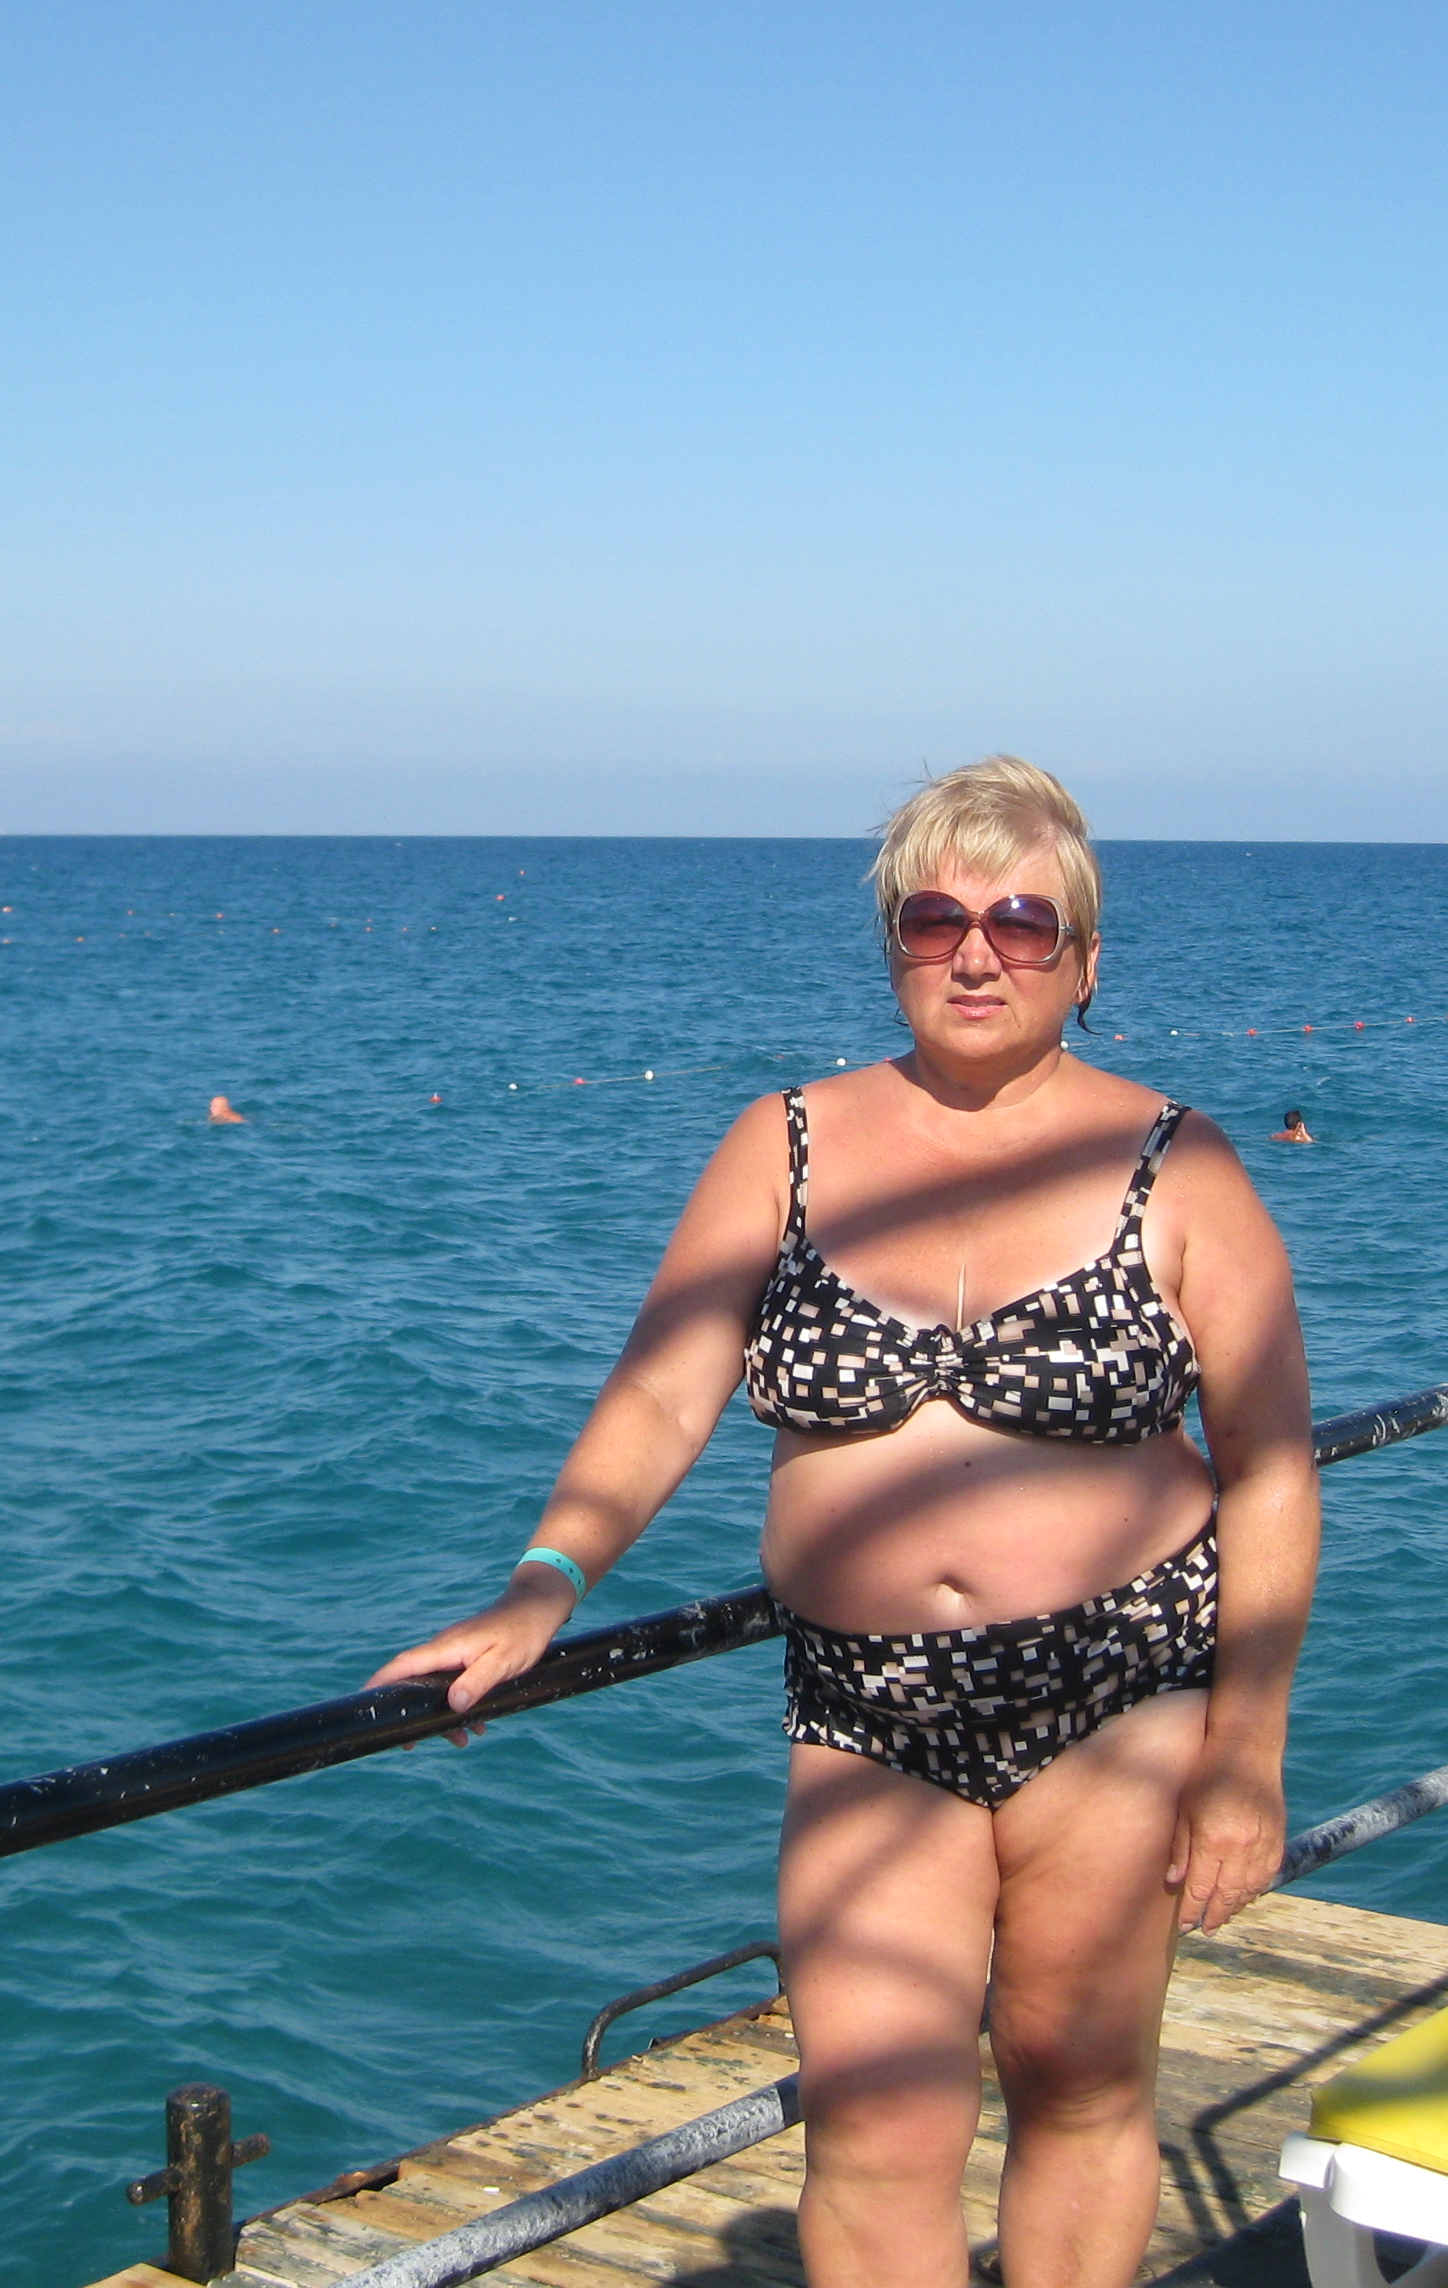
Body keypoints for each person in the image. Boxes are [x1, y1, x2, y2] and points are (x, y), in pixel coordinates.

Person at [371, 756, 1318, 2288]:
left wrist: (1245, 1758)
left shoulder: (1179, 1165)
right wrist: (545, 1582)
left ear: (1085, 960)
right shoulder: (787, 1142)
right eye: (934, 918)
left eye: (1021, 921)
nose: (975, 952)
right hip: (864, 1707)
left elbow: (1270, 1469)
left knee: (1080, 2091)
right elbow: (663, 1390)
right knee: (874, 2132)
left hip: (1118, 1691)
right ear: (893, 946)